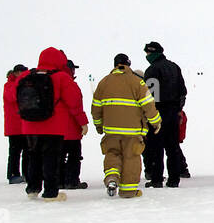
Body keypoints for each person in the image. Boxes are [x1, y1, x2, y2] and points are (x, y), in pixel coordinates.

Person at [19, 47, 88, 202]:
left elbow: (14, 95)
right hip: (53, 126)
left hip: (30, 126)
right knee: (51, 158)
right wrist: (83, 122)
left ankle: (32, 188)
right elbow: (74, 102)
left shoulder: (27, 75)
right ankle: (51, 193)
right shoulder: (61, 78)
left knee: (33, 156)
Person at [91, 53, 161, 199]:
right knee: (131, 158)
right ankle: (128, 191)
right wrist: (156, 122)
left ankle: (112, 178)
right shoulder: (137, 82)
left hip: (111, 130)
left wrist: (98, 125)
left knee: (112, 154)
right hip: (132, 131)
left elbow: (96, 108)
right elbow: (148, 104)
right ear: (128, 64)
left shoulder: (104, 82)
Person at [141, 41, 188, 188]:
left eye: (147, 53)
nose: (146, 56)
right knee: (172, 147)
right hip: (173, 113)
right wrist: (177, 109)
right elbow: (183, 92)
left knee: (156, 148)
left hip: (158, 114)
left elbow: (150, 97)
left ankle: (156, 179)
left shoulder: (152, 70)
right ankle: (174, 179)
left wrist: (150, 115)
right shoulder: (174, 67)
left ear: (152, 53)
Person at [62, 59, 88, 189]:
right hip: (71, 128)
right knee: (74, 156)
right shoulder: (69, 84)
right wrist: (83, 123)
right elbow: (76, 107)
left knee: (58, 156)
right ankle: (72, 181)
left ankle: (59, 180)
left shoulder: (53, 82)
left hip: (55, 130)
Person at [3, 63, 29, 184]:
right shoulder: (9, 85)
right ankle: (13, 174)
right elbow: (12, 96)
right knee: (15, 152)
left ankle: (26, 174)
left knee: (27, 151)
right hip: (14, 126)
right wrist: (20, 80)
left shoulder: (21, 85)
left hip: (24, 124)